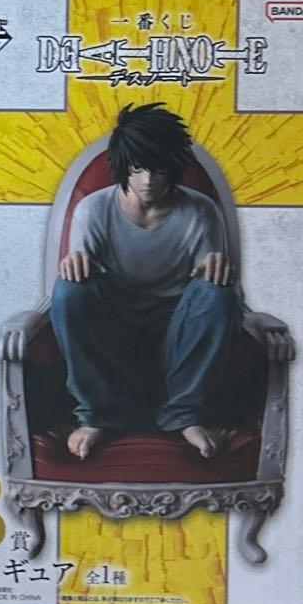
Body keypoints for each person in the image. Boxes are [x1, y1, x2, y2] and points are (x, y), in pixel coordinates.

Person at [49, 102, 242, 460]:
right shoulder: (94, 208)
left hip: (177, 336)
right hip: (115, 335)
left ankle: (185, 415)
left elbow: (207, 293)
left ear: (174, 167)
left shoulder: (201, 210)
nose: (148, 181)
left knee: (219, 291)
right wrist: (75, 263)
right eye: (137, 169)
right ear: (123, 166)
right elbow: (81, 283)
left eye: (158, 169)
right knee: (70, 289)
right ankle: (98, 416)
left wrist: (215, 268)